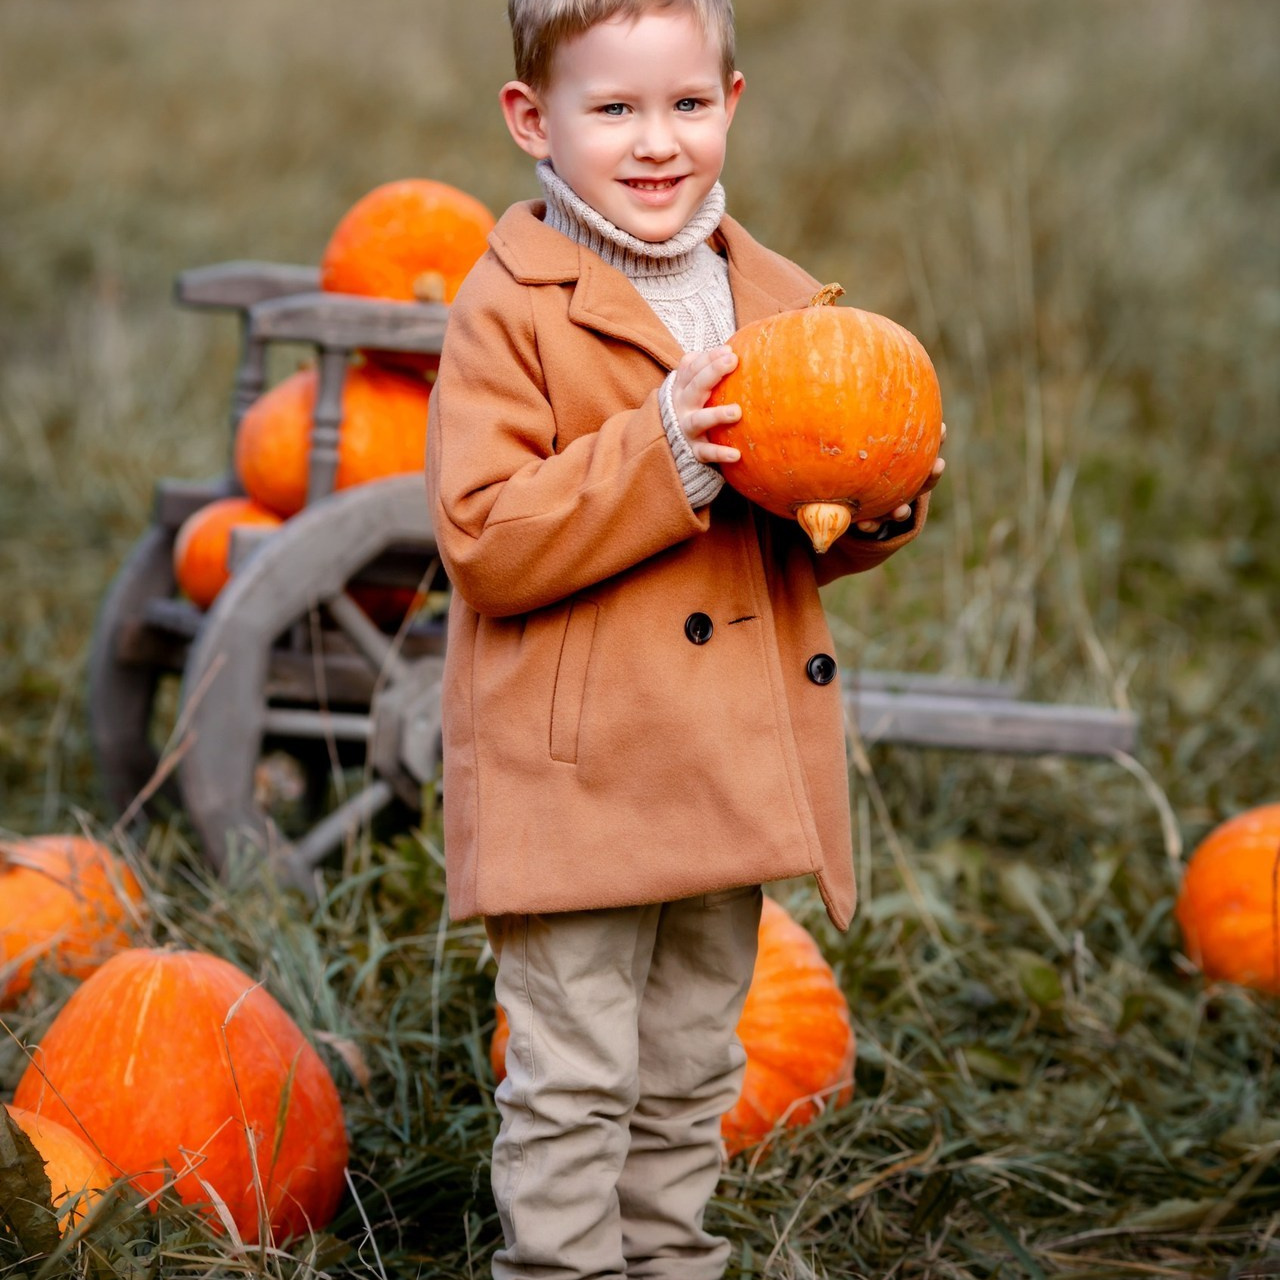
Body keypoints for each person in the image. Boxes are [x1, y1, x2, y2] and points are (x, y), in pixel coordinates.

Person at [424, 1, 943, 1274]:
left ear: (731, 103)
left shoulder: (781, 301)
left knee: (689, 1065)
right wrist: (659, 452)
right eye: (614, 109)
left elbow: (798, 534)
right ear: (531, 119)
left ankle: (669, 1258)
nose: (656, 141)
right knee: (574, 1075)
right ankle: (561, 1265)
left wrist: (874, 500)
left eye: (686, 105)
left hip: (722, 767)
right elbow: (484, 538)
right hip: (580, 777)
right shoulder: (511, 307)